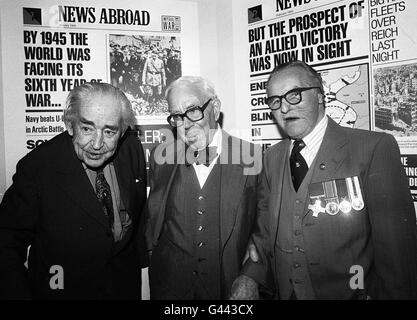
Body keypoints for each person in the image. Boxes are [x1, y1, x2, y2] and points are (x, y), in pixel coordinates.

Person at [231, 60, 417, 300]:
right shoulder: (271, 158)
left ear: (319, 96)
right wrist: (250, 275)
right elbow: (265, 230)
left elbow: (398, 254)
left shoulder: (372, 148)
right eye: (275, 101)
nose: (284, 108)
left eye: (294, 95)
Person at [0, 82, 148, 299]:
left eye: (109, 131)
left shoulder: (131, 148)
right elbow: (5, 242)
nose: (97, 144)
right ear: (70, 125)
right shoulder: (37, 167)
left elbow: (137, 212)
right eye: (87, 128)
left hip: (122, 288)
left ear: (123, 131)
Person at [146, 76, 262, 299]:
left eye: (193, 110)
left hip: (228, 288)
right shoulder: (161, 158)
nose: (186, 123)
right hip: (170, 289)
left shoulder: (252, 157)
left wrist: (252, 275)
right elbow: (153, 219)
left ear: (215, 108)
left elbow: (264, 229)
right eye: (177, 117)